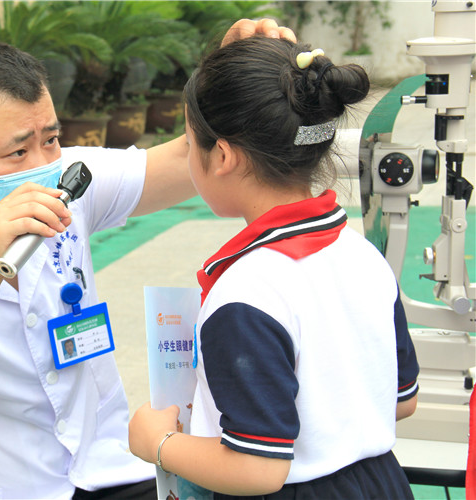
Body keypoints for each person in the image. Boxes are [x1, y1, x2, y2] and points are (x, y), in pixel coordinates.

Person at [0, 18, 294, 499]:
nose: (42, 168)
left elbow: (185, 160)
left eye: (49, 139)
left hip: (99, 470)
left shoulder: (67, 179)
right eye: (16, 152)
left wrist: (223, 84)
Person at [128, 37, 420, 499]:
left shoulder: (247, 293)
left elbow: (257, 469)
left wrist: (158, 443)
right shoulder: (364, 256)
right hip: (382, 483)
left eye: (189, 143)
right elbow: (403, 400)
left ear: (222, 156)